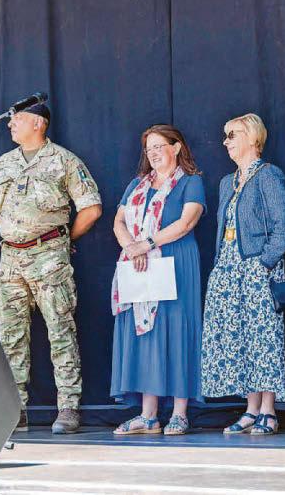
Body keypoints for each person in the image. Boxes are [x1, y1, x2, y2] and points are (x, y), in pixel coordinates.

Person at [0, 101, 102, 434]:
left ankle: (68, 407)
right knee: (11, 337)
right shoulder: (2, 164)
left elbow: (91, 208)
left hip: (49, 256)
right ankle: (15, 409)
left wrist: (62, 238)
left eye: (18, 120)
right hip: (10, 259)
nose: (11, 125)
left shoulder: (64, 161)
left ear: (38, 124)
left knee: (60, 331)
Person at [201, 113, 285, 436]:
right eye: (225, 136)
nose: (226, 142)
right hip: (228, 268)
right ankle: (250, 408)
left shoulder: (268, 175)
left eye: (233, 135)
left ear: (253, 137)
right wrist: (219, 265)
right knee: (239, 339)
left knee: (262, 337)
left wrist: (265, 262)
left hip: (257, 267)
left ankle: (268, 410)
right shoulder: (227, 182)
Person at [110, 125, 205, 436]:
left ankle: (180, 412)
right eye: (148, 148)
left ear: (176, 147)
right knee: (144, 334)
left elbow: (187, 221)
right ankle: (148, 415)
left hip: (175, 261)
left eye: (158, 146)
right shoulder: (137, 185)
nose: (152, 153)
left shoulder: (191, 182)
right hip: (138, 263)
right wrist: (130, 246)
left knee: (177, 331)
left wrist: (146, 244)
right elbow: (119, 221)